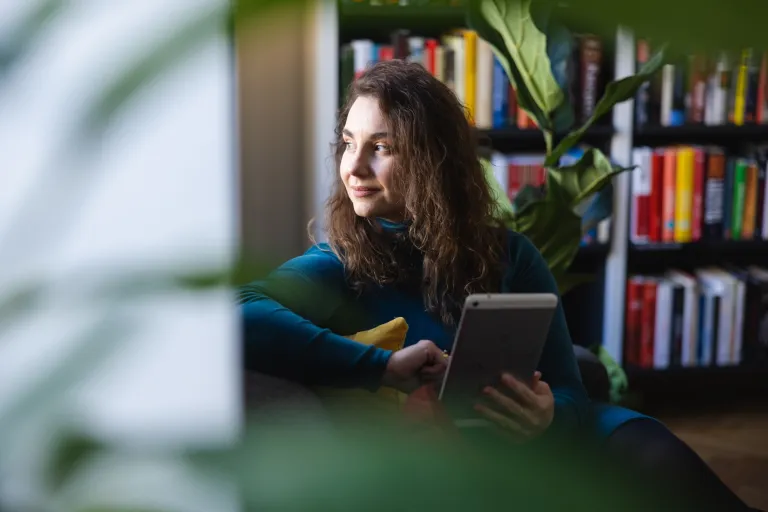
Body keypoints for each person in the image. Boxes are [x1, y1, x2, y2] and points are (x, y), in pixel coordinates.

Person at [240, 60, 752, 511]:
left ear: (430, 159)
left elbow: (571, 388)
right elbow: (238, 309)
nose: (353, 167)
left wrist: (550, 415)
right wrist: (380, 366)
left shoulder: (510, 254)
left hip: (543, 443)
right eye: (349, 144)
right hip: (456, 464)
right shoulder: (339, 262)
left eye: (382, 147)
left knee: (646, 444)